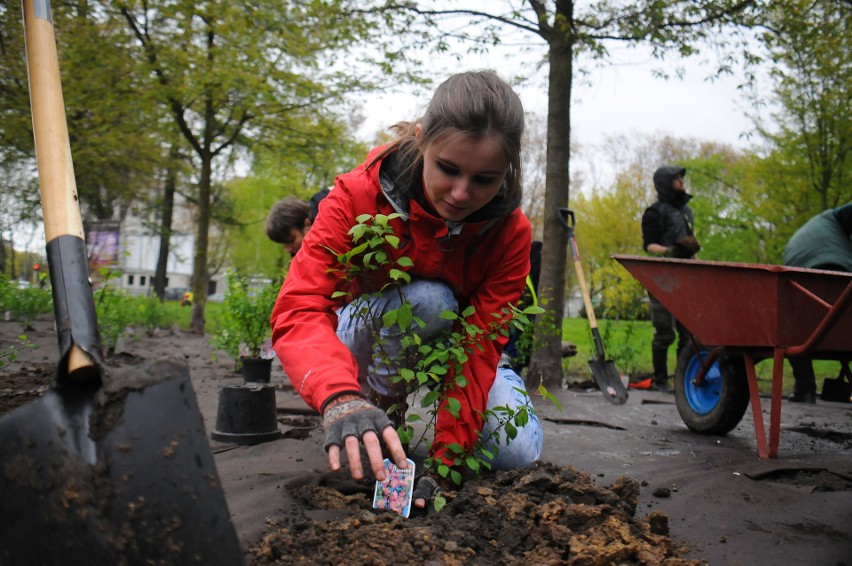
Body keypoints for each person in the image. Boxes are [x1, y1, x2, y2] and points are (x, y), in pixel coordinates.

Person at [270, 70, 542, 510]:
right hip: (362, 342)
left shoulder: (509, 232)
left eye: (484, 179)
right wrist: (341, 397)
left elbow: (479, 346)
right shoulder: (356, 195)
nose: (460, 193)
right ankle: (373, 405)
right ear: (421, 139)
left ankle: (409, 431)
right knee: (427, 301)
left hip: (446, 354)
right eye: (448, 169)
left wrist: (445, 464)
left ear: (506, 170)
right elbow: (299, 308)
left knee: (516, 453)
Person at [783, 203, 852, 403]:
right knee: (843, 325)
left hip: (802, 275)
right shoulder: (835, 218)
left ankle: (805, 390)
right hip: (843, 274)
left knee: (793, 330)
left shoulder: (815, 229)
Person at [640, 165, 701, 392]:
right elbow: (649, 246)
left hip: (686, 278)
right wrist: (670, 252)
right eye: (677, 179)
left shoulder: (687, 212)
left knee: (688, 335)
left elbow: (690, 243)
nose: (682, 183)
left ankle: (682, 382)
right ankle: (660, 381)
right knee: (664, 332)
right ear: (666, 183)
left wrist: (696, 263)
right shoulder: (654, 213)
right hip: (662, 279)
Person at [265, 187, 331, 256]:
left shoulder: (334, 203)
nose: (287, 249)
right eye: (284, 243)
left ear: (307, 224)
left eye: (291, 240)